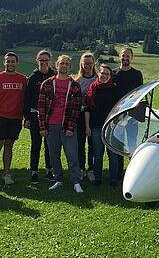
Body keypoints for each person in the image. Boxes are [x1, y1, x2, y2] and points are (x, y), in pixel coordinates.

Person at [37, 55, 84, 193]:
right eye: (62, 63)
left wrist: (70, 127)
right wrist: (42, 126)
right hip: (51, 126)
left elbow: (76, 110)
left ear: (70, 67)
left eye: (67, 64)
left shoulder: (74, 86)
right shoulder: (47, 84)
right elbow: (41, 107)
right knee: (53, 154)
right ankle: (58, 179)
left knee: (72, 154)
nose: (64, 66)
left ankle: (76, 181)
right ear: (56, 65)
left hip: (67, 126)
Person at [0, 52, 27, 187]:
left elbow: (26, 100)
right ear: (4, 63)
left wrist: (25, 117)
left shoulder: (23, 80)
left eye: (13, 61)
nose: (10, 64)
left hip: (16, 119)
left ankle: (7, 174)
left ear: (17, 63)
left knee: (9, 145)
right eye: (8, 61)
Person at [84, 64, 121, 185]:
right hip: (96, 126)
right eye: (102, 73)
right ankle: (98, 179)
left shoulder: (115, 89)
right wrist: (87, 126)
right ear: (98, 74)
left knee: (113, 154)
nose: (104, 76)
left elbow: (120, 108)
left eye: (107, 74)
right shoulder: (93, 88)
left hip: (112, 127)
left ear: (110, 76)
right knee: (98, 154)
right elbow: (87, 109)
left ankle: (113, 180)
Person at [23, 50, 55, 184]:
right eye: (41, 60)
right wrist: (27, 118)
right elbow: (27, 99)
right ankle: (34, 172)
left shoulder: (54, 75)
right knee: (36, 144)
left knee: (50, 145)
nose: (44, 62)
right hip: (35, 114)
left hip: (51, 115)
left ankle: (49, 170)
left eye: (46, 60)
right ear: (37, 61)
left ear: (50, 61)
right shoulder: (33, 78)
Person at [112, 46, 144, 182]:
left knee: (132, 145)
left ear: (132, 58)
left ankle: (132, 174)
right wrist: (119, 114)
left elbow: (140, 95)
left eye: (128, 56)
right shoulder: (113, 74)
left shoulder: (137, 74)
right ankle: (118, 173)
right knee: (117, 145)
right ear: (120, 57)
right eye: (123, 56)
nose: (125, 58)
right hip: (116, 116)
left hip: (132, 117)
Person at [75, 52, 98, 182]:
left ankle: (91, 169)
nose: (88, 66)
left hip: (94, 115)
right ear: (81, 64)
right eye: (85, 63)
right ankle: (81, 169)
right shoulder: (77, 81)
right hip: (80, 115)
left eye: (90, 63)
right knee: (80, 144)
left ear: (93, 63)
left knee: (93, 145)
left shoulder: (98, 79)